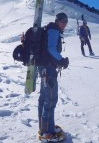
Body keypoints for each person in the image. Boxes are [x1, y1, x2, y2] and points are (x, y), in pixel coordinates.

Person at [38, 12, 69, 142]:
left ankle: (46, 127)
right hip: (48, 71)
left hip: (45, 68)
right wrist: (61, 60)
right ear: (57, 21)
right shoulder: (53, 29)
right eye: (62, 21)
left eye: (66, 22)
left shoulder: (50, 29)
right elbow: (51, 48)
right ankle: (47, 133)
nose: (64, 24)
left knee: (44, 99)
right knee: (50, 100)